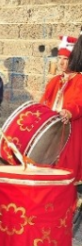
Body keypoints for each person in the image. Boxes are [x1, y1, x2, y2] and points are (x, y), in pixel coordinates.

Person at [40, 35, 82, 189]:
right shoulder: (54, 81)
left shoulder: (79, 80)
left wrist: (69, 111)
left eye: (66, 58)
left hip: (71, 131)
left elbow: (79, 103)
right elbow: (44, 103)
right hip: (53, 132)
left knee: (67, 170)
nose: (62, 62)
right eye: (59, 58)